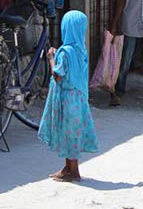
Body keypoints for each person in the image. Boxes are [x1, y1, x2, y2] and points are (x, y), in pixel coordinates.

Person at [38, 11, 98, 182]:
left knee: (69, 134)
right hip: (78, 98)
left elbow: (57, 75)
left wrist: (51, 58)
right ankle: (68, 168)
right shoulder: (80, 49)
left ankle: (74, 172)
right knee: (71, 134)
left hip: (67, 99)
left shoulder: (65, 52)